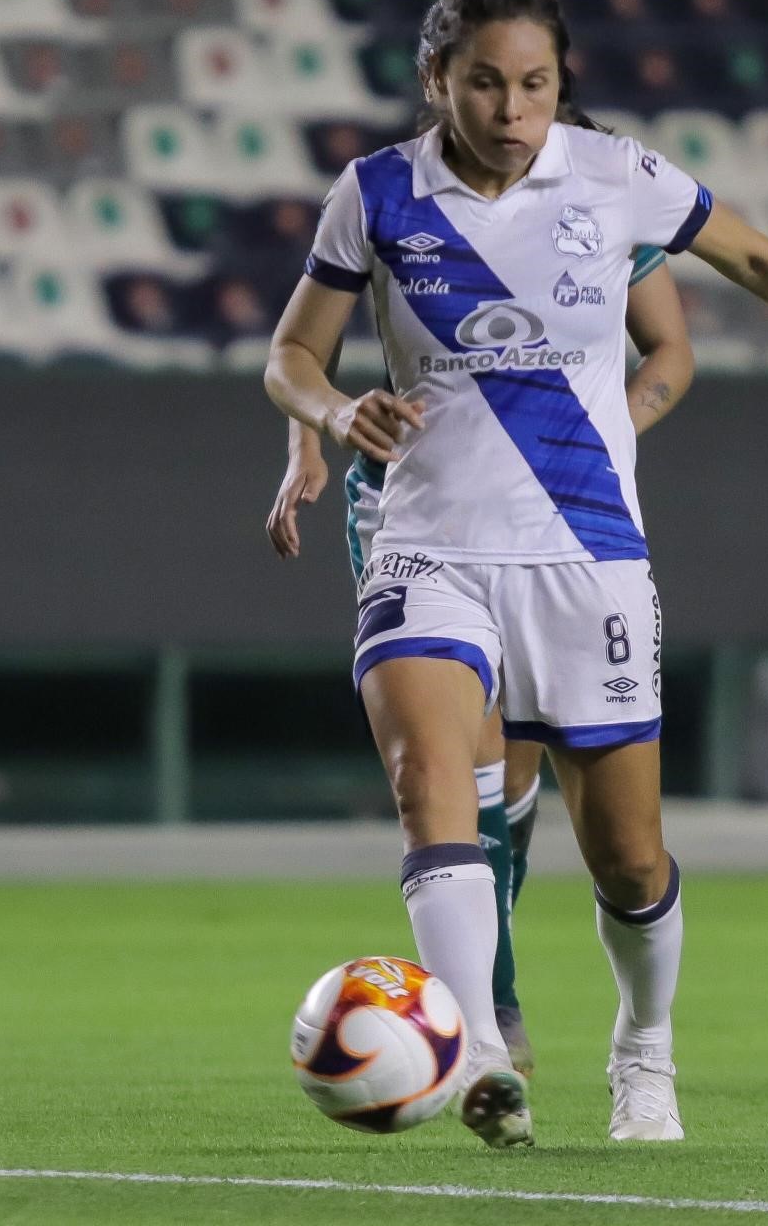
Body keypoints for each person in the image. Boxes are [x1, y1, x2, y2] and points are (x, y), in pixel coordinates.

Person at [263, 0, 768, 1150]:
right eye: (487, 83)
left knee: (629, 861)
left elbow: (760, 261)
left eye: (536, 83)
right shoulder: (375, 194)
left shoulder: (614, 176)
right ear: (437, 80)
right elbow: (291, 355)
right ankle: (479, 1055)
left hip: (586, 554)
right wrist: (329, 417)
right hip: (429, 543)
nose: (514, 109)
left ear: (560, 82)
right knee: (433, 783)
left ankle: (644, 1050)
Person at [267, 246, 692, 1078]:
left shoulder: (600, 198)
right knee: (462, 755)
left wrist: (590, 433)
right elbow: (311, 331)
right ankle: (489, 1020)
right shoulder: (390, 198)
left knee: (526, 774)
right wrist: (309, 437)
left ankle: (563, 1013)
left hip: (555, 527)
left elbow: (671, 345)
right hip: (413, 504)